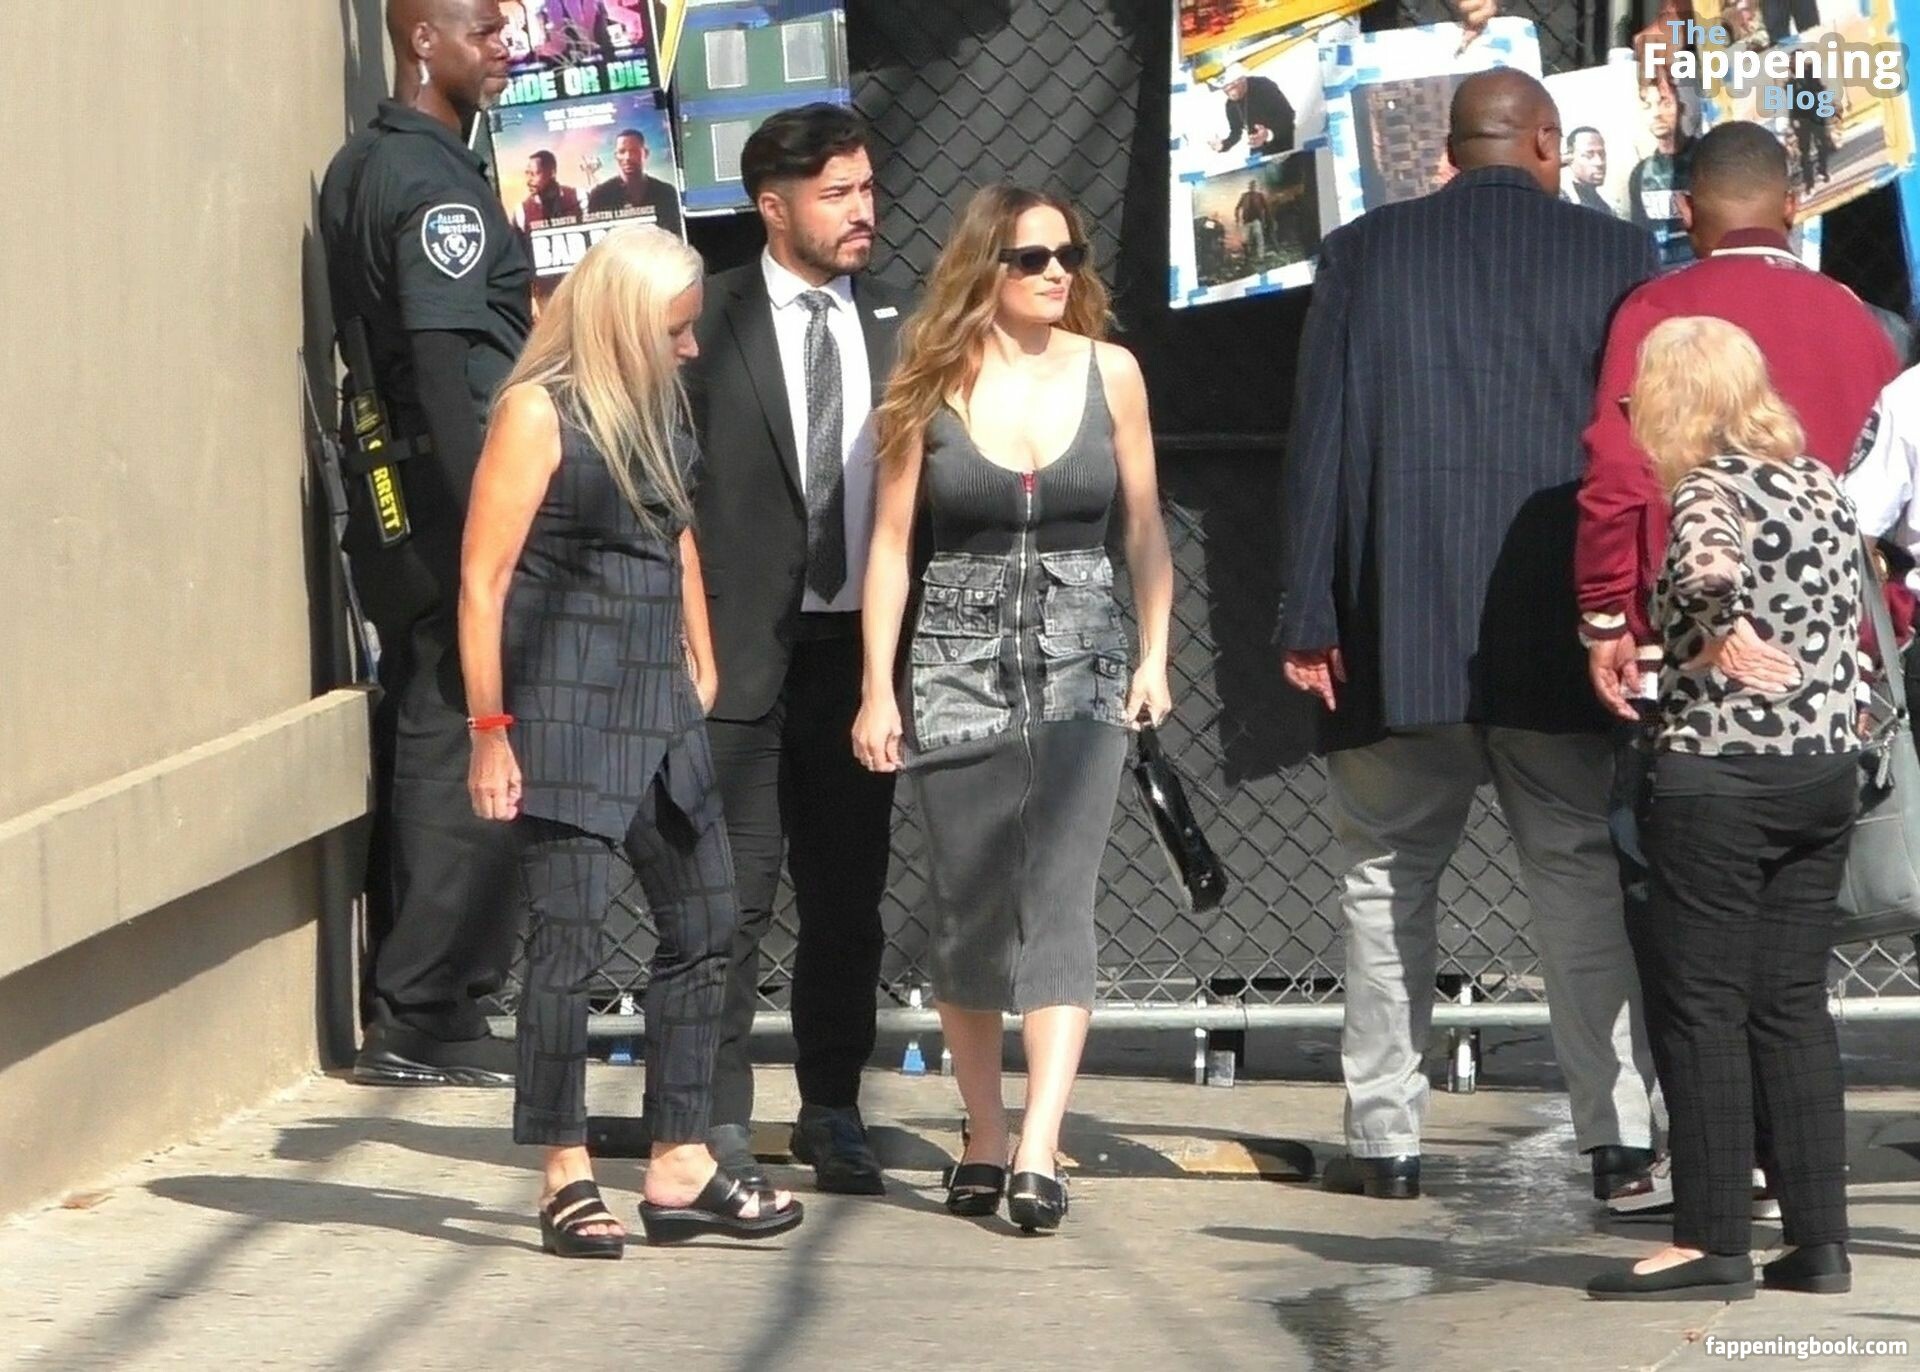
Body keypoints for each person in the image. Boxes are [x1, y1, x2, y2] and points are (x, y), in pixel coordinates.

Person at [1277, 69, 1660, 1204]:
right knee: (1580, 877)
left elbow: (1319, 438)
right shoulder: (1618, 256)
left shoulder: (1365, 252)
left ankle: (1386, 1141)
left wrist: (1309, 610)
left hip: (1395, 625)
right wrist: (1630, 615)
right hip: (1566, 631)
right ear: (1546, 141)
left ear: (1450, 147)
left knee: (1385, 878)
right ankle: (1620, 1137)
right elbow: (1637, 453)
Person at [460, 226, 803, 1255]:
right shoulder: (536, 412)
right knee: (566, 942)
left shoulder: (653, 403)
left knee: (708, 918)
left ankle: (680, 1159)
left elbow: (676, 531)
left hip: (660, 708)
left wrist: (702, 653)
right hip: (563, 709)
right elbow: (482, 579)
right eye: (676, 330)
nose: (692, 347)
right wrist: (490, 732)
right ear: (620, 322)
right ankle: (563, 1170)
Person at [853, 184, 1174, 1233]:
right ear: (985, 267)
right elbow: (891, 545)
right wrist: (876, 686)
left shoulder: (1111, 372)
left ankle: (1039, 1144)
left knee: (1061, 897)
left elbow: (1143, 528)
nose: (1055, 273)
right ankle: (984, 1131)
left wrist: (1156, 654)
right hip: (955, 655)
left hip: (1084, 655)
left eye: (1068, 254)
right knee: (968, 904)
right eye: (1032, 258)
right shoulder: (931, 376)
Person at [1587, 317, 1859, 1300]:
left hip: (1722, 777)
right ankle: (1820, 1241)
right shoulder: (1818, 481)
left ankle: (1711, 1240)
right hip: (1822, 771)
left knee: (1701, 1005)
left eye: (1640, 393)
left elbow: (1706, 569)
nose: (1630, 409)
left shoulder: (1708, 488)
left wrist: (1718, 630)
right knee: (1790, 1004)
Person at [685, 104, 913, 1197]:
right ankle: (717, 1119)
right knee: (730, 903)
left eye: (866, 188)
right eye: (837, 194)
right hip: (734, 655)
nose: (862, 211)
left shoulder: (907, 322)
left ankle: (832, 1106)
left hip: (857, 659)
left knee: (846, 899)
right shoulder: (705, 317)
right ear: (771, 208)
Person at [318, 0, 529, 1088]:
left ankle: (428, 1001)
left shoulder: (365, 162)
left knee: (431, 726)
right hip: (449, 495)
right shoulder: (433, 180)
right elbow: (445, 371)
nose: (504, 48)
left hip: (398, 488)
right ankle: (423, 1010)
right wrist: (489, 515)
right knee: (459, 735)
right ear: (422, 41)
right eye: (484, 30)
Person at [1627, 81, 1695, 269]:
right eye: (1648, 106)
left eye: (1665, 103)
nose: (1656, 113)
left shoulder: (1707, 159)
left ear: (1682, 107)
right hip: (1662, 275)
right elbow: (1640, 237)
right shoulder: (1641, 173)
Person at [585, 128, 685, 237]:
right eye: (622, 152)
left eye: (634, 151)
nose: (628, 157)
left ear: (645, 153)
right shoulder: (599, 195)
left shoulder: (666, 192)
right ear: (616, 156)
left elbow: (676, 235)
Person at [1208, 63, 1296, 157]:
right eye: (1225, 89)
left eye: (1232, 86)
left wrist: (1268, 134)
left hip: (1283, 141)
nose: (1229, 93)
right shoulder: (1230, 104)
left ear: (1242, 79)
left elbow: (1288, 115)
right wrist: (1223, 145)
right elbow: (1236, 132)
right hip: (1258, 147)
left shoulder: (1263, 85)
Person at [1788, 77, 1837, 194]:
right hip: (1802, 120)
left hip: (1816, 117)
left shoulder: (1811, 76)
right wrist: (1793, 121)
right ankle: (1809, 184)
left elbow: (1821, 92)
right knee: (1805, 152)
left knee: (1824, 144)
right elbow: (1790, 105)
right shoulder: (1791, 84)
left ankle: (1822, 170)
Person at [517, 150, 582, 230]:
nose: (528, 181)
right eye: (527, 173)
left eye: (533, 174)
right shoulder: (523, 212)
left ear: (552, 173)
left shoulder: (578, 198)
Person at [1563, 126, 1613, 215]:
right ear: (1569, 158)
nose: (1600, 163)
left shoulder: (1607, 205)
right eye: (1588, 155)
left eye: (1602, 154)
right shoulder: (1561, 201)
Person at [1235, 179, 1270, 262]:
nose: (1252, 187)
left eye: (1253, 185)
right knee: (1245, 240)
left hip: (1256, 220)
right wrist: (1237, 219)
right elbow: (1237, 207)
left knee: (1258, 237)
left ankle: (1260, 256)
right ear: (1249, 187)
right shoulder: (1244, 196)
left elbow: (1266, 208)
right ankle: (1247, 255)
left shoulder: (1259, 195)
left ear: (1255, 187)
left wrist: (1266, 219)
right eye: (1251, 185)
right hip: (1246, 221)